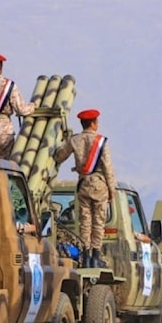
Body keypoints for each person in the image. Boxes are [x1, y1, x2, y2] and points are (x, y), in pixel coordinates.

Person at [54, 109, 116, 268]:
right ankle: (96, 257)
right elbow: (108, 168)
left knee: (85, 222)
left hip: (83, 184)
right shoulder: (101, 141)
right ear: (94, 123)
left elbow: (59, 156)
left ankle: (86, 257)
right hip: (99, 184)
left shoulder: (75, 140)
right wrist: (112, 191)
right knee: (99, 221)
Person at [0, 52, 36, 159]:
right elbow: (22, 110)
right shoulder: (9, 85)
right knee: (5, 165)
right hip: (4, 131)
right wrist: (32, 106)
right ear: (1, 67)